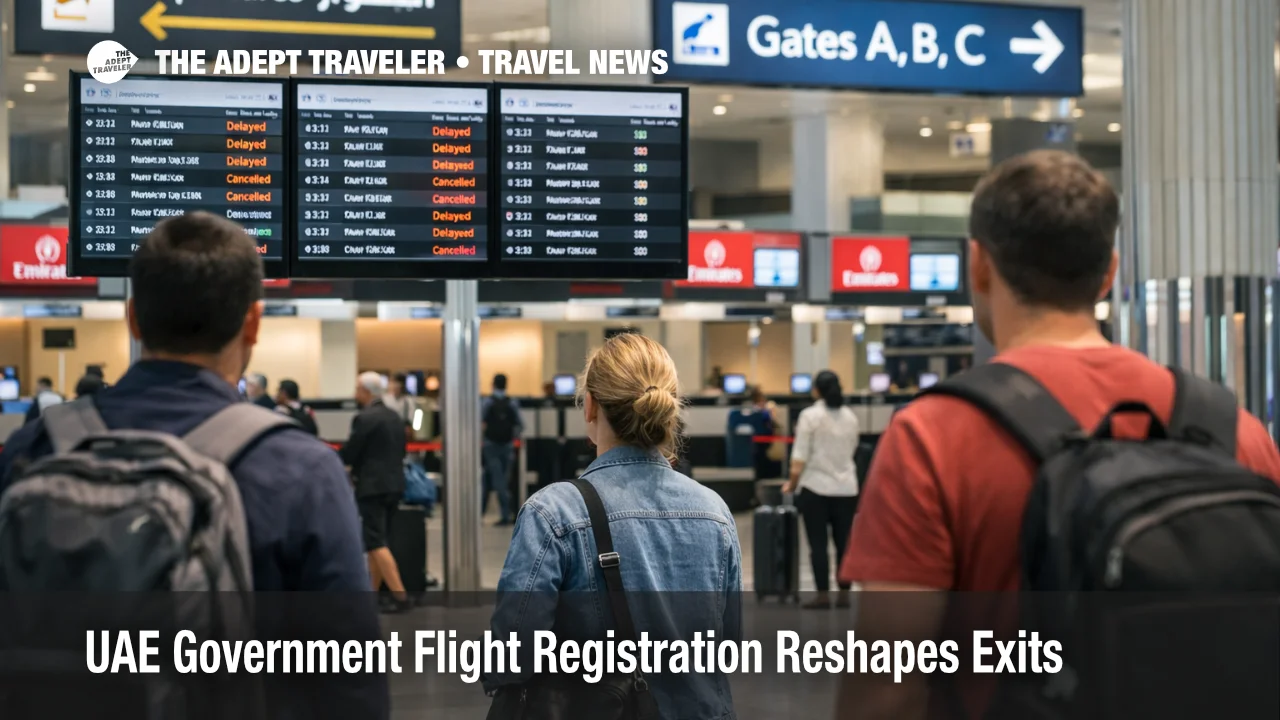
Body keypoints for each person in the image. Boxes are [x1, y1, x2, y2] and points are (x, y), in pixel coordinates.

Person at [839, 151, 1280, 718]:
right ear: (1109, 272)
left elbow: (887, 688)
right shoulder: (1235, 431)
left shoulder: (933, 436)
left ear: (979, 266)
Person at [0, 212, 385, 718]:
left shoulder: (35, 447)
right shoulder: (300, 470)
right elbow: (348, 679)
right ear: (253, 324)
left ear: (133, 318)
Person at [486, 333, 741, 718]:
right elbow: (728, 646)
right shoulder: (715, 513)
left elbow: (511, 658)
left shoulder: (554, 513)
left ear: (590, 405)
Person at [782, 370, 860, 609]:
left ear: (816, 390)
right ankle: (845, 594)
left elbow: (800, 459)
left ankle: (823, 595)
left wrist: (791, 485)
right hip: (847, 489)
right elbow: (853, 449)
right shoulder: (850, 417)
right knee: (843, 544)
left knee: (818, 544)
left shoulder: (810, 416)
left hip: (815, 488)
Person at [341, 371, 410, 613]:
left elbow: (351, 453)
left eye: (357, 389)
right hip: (395, 484)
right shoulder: (394, 416)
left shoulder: (364, 418)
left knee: (375, 541)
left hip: (371, 487)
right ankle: (370, 596)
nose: (354, 394)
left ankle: (400, 597)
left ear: (366, 391)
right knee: (381, 541)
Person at [481, 373, 522, 526]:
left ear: (493, 384)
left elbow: (481, 421)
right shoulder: (512, 402)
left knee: (497, 480)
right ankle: (505, 512)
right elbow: (520, 424)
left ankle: (505, 515)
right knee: (502, 479)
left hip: (491, 446)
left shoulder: (488, 402)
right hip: (507, 446)